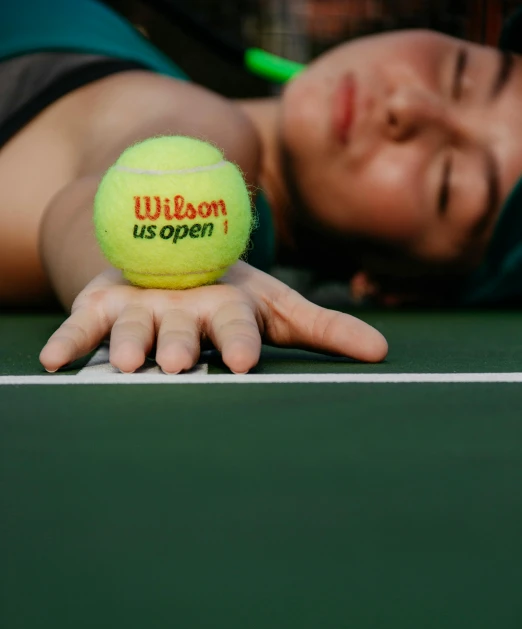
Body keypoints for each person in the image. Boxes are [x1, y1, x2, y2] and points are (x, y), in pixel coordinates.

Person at [1, 1, 521, 374]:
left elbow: (83, 202)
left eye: (448, 183)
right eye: (461, 72)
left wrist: (139, 277)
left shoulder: (212, 135)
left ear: (401, 287)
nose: (409, 109)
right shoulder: (169, 79)